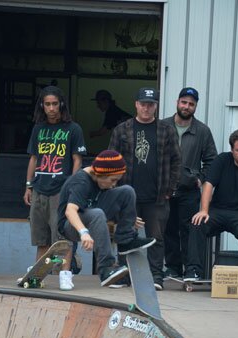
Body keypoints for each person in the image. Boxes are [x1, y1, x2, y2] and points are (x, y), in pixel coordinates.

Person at [109, 87, 181, 290]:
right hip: (126, 194)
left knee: (157, 237)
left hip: (157, 196)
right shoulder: (121, 130)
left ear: (156, 106)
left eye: (151, 104)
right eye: (143, 103)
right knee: (125, 234)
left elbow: (177, 161)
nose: (146, 108)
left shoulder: (167, 130)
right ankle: (124, 275)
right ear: (136, 104)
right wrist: (114, 189)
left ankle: (156, 277)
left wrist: (171, 189)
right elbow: (111, 161)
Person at [57, 149, 155, 287]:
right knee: (97, 213)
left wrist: (128, 218)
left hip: (93, 215)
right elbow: (70, 211)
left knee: (127, 191)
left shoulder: (101, 181)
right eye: (112, 180)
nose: (114, 184)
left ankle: (126, 239)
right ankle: (105, 269)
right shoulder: (81, 182)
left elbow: (109, 203)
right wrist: (83, 232)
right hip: (70, 227)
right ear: (99, 174)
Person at [183, 128, 238, 281]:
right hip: (217, 210)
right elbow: (208, 185)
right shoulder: (221, 160)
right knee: (196, 224)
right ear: (232, 149)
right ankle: (193, 271)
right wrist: (204, 211)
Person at [24, 85, 86, 291]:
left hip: (61, 189)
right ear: (42, 105)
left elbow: (77, 159)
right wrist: (28, 186)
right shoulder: (38, 129)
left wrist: (73, 186)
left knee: (63, 238)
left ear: (61, 104)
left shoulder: (73, 129)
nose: (51, 108)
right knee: (41, 237)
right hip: (39, 188)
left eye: (54, 104)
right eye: (47, 104)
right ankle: (38, 276)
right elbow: (34, 158)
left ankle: (65, 275)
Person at [163, 87, 217, 278]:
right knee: (168, 229)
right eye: (184, 102)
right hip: (165, 189)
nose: (187, 107)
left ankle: (191, 269)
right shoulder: (162, 126)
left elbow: (212, 160)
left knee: (189, 230)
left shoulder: (202, 131)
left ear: (195, 107)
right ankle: (172, 268)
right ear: (177, 102)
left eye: (191, 104)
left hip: (189, 189)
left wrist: (200, 178)